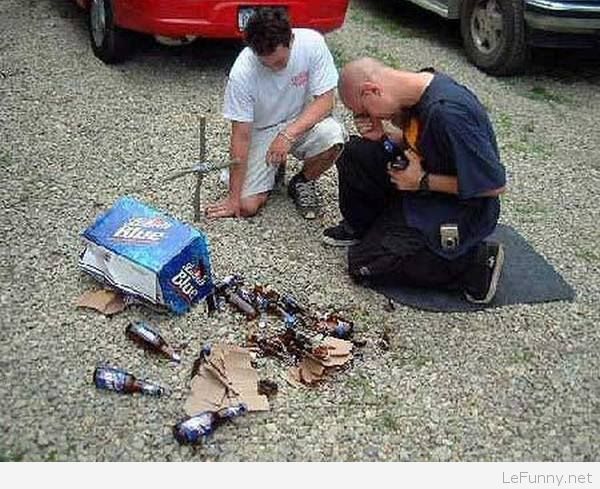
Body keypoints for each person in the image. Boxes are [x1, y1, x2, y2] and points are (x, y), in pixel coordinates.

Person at [323, 58, 506, 304]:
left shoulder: (447, 113)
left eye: (364, 111)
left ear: (371, 91)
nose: (366, 117)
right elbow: (419, 141)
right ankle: (367, 228)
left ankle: (474, 263)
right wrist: (383, 137)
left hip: (461, 206)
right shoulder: (416, 90)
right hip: (421, 181)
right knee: (358, 152)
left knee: (364, 263)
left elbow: (493, 185)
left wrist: (422, 181)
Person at [206, 8, 346, 220]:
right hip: (262, 130)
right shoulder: (242, 73)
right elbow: (241, 136)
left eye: (280, 62)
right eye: (265, 63)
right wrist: (233, 199)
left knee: (333, 136)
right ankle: (274, 170)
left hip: (300, 120)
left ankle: (303, 181)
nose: (274, 68)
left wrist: (287, 135)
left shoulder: (312, 43)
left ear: (291, 39)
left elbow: (326, 101)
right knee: (246, 206)